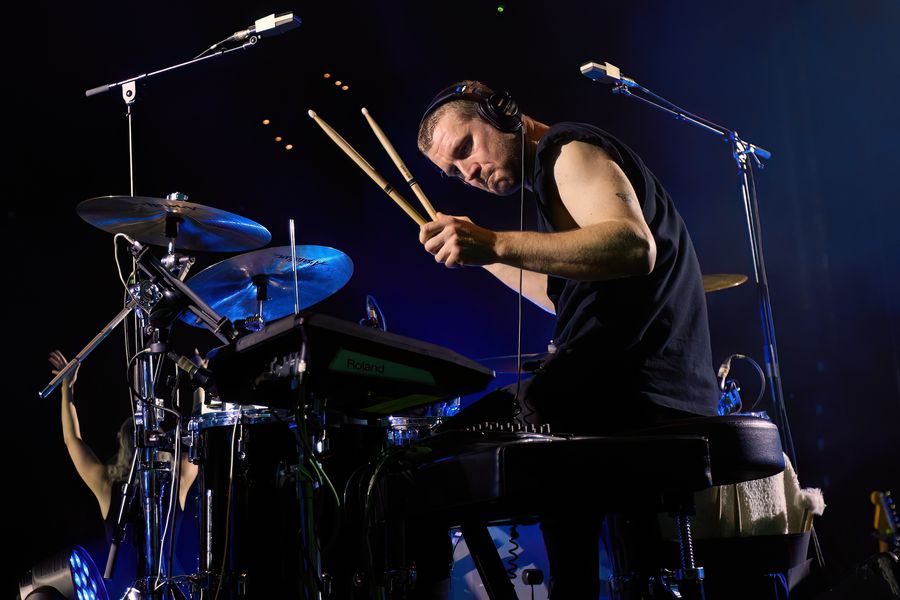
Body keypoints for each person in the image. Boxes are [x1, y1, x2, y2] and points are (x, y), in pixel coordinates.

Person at [413, 81, 721, 597]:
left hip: (630, 392)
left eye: (466, 148)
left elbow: (632, 246)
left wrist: (494, 241)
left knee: (420, 464)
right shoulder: (550, 182)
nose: (468, 173)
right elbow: (563, 295)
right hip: (621, 390)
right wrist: (486, 256)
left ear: (501, 111)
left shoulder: (567, 150)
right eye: (454, 172)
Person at [49, 350, 198, 591]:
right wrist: (199, 382)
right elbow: (200, 434)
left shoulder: (107, 485)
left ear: (122, 442)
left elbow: (72, 440)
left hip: (130, 588)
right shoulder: (177, 479)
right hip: (166, 587)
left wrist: (68, 388)